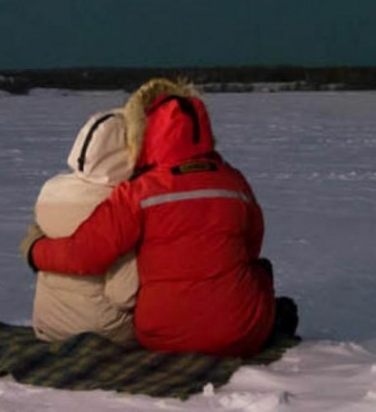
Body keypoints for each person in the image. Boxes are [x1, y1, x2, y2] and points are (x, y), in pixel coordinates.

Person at [22, 78, 290, 357]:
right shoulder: (234, 183)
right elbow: (251, 246)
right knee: (260, 270)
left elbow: (84, 254)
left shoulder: (138, 192)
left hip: (160, 335)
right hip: (239, 334)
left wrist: (35, 250)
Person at [30, 109, 138, 345]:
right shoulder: (120, 206)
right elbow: (124, 295)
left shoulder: (50, 190)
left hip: (46, 325)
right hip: (104, 331)